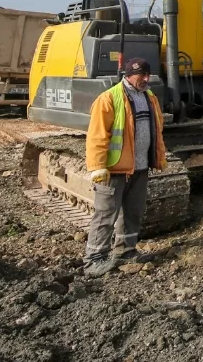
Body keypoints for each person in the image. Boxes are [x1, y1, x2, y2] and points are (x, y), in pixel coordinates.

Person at [83, 58, 168, 277]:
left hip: (139, 167)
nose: (146, 79)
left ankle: (126, 251)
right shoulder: (109, 98)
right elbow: (97, 135)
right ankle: (93, 260)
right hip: (114, 169)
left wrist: (157, 157)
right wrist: (97, 166)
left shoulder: (149, 97)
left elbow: (156, 128)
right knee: (105, 214)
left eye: (148, 75)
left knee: (133, 211)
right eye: (142, 76)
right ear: (129, 75)